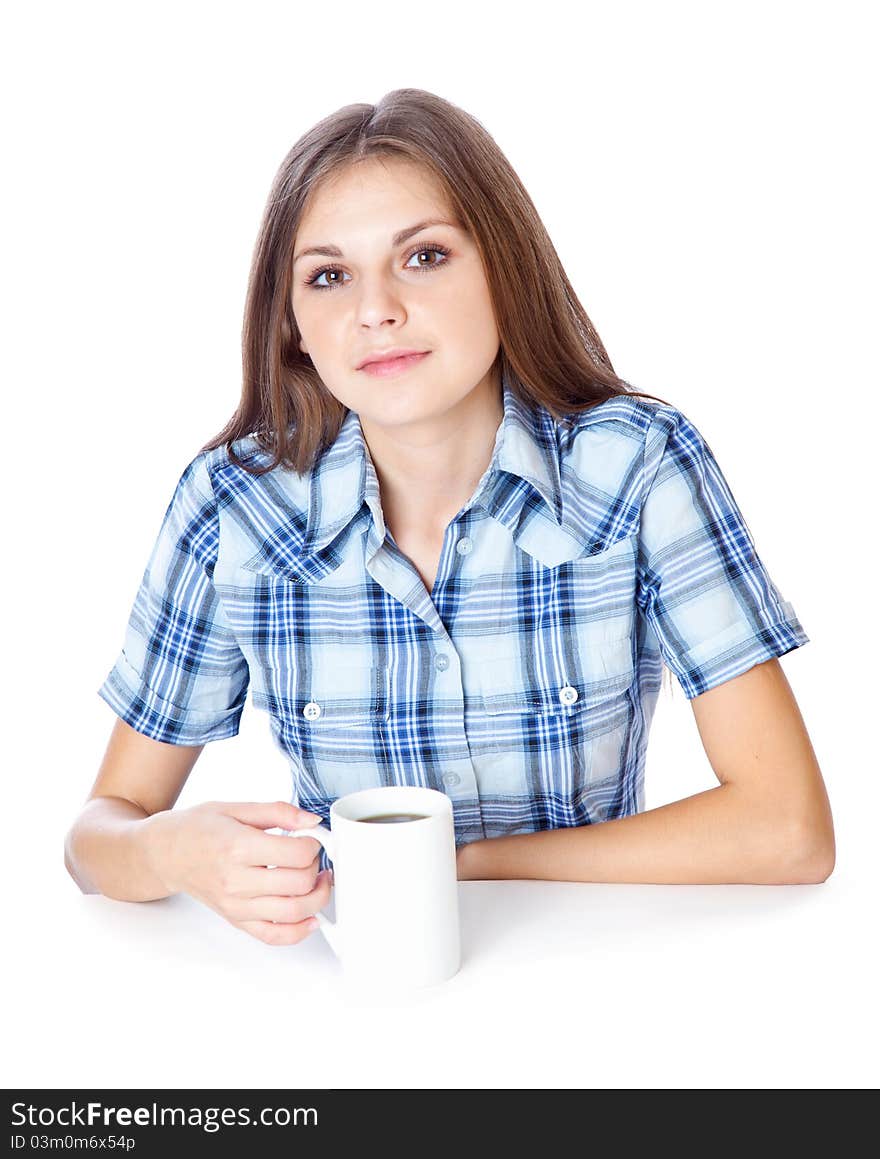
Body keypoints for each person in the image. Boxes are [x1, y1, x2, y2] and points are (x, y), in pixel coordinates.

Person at [64, 88, 835, 947]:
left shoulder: (637, 464)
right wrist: (173, 853)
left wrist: (457, 863)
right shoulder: (234, 504)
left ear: (502, 266)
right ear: (293, 326)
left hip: (594, 972)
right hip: (355, 990)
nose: (376, 309)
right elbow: (97, 841)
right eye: (329, 276)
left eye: (423, 257)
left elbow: (787, 831)